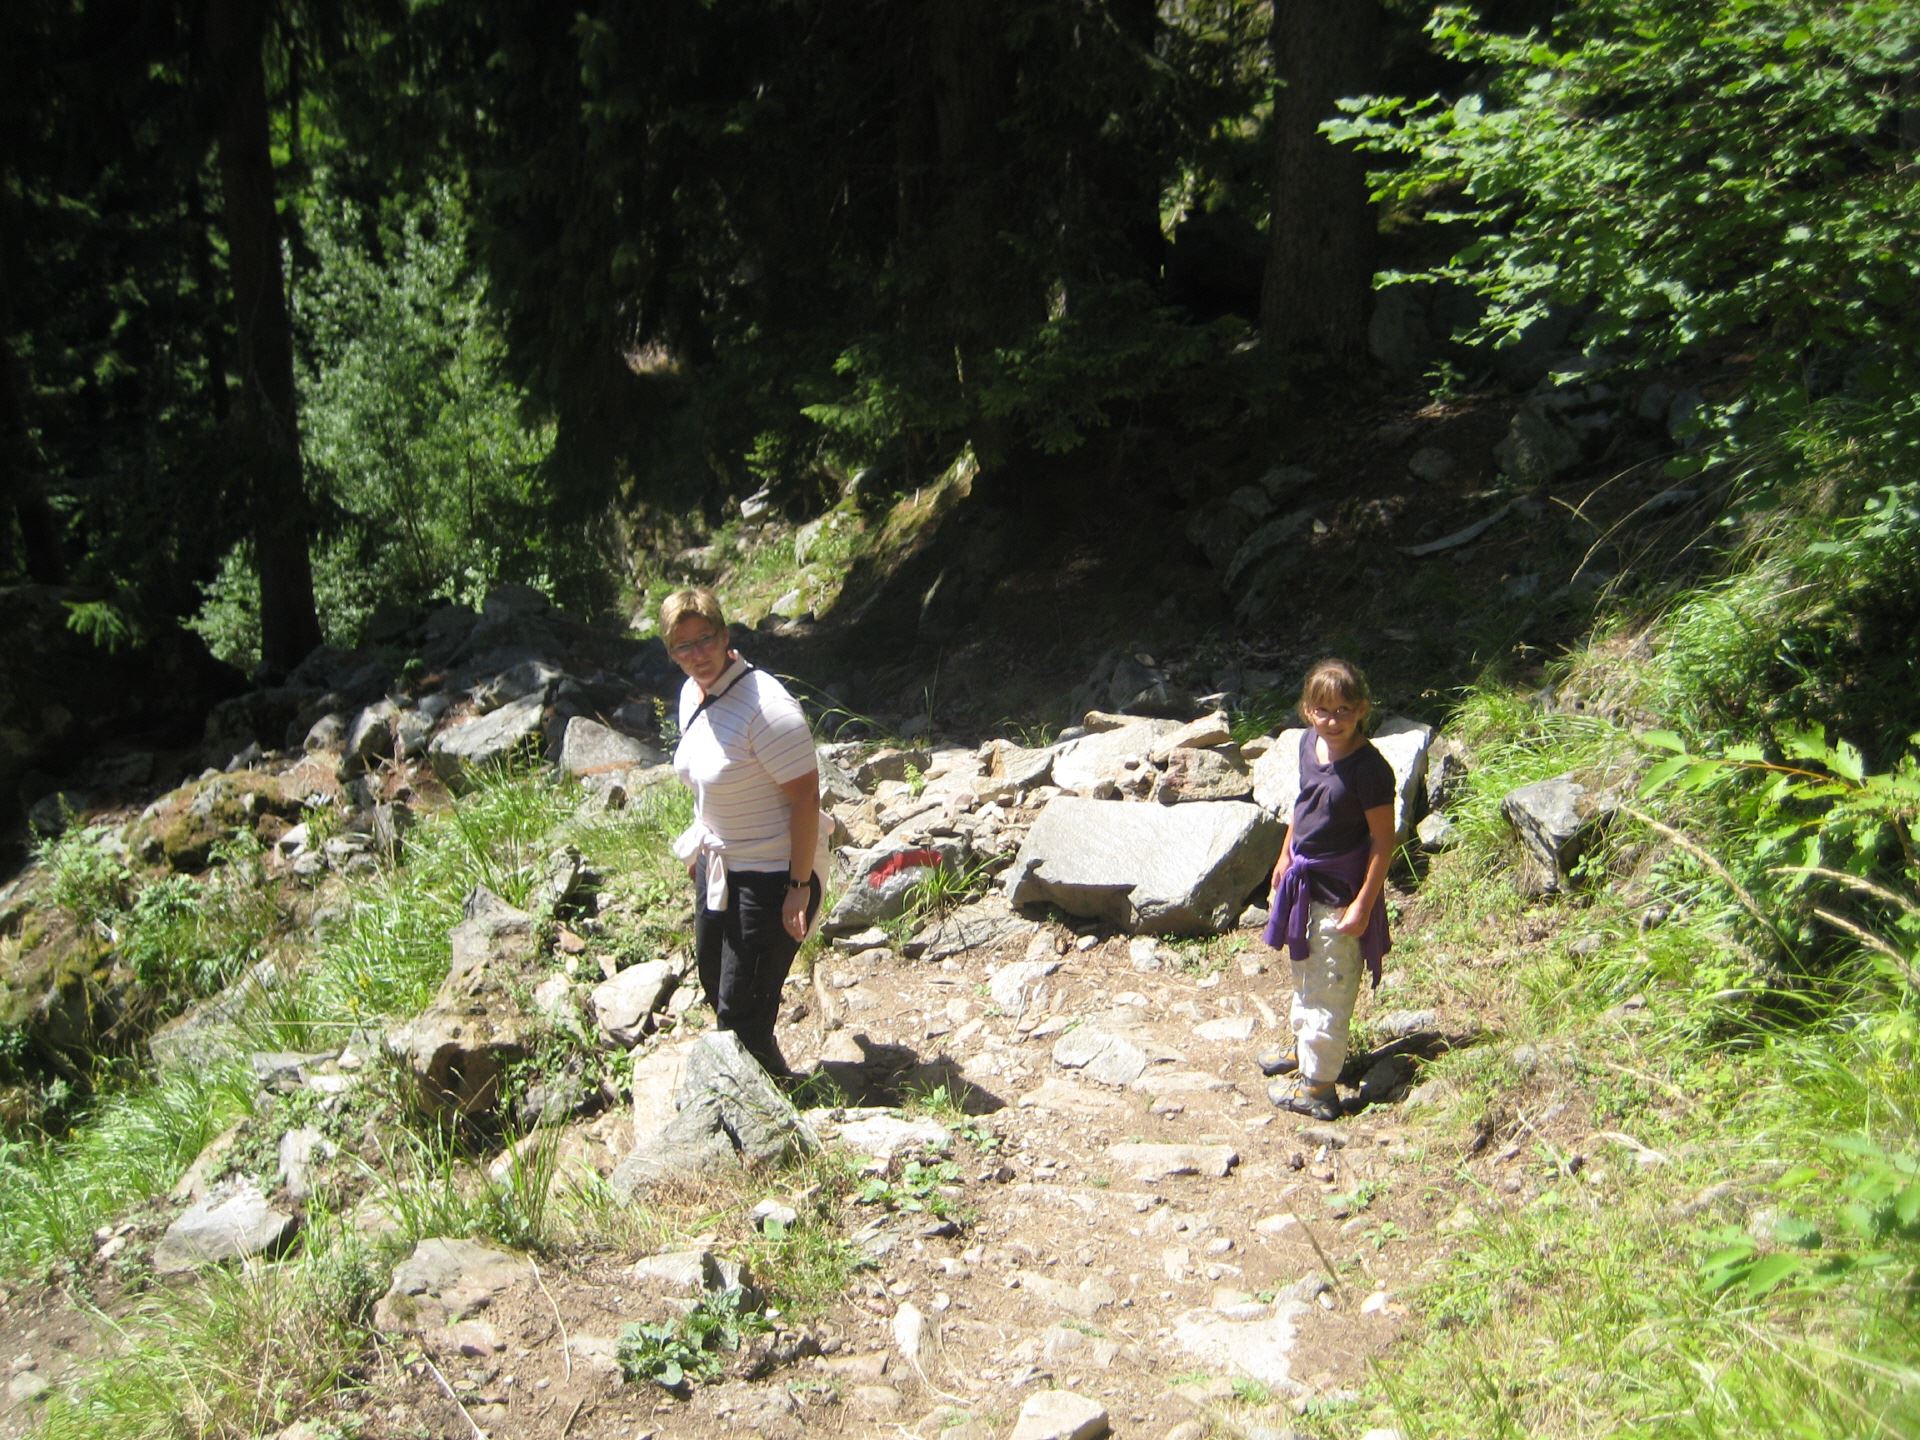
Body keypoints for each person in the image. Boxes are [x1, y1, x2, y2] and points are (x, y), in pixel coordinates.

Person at [662, 587, 823, 1080]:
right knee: (716, 982)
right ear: (671, 652)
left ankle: (767, 1108)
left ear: (725, 635)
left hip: (771, 875)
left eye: (705, 639)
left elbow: (806, 799)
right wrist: (701, 841)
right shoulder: (692, 694)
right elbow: (705, 777)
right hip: (719, 866)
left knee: (742, 1010)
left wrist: (798, 887)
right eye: (683, 646)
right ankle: (764, 1078)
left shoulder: (767, 709)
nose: (697, 655)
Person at [1258, 658, 1394, 1121]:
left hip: (1339, 891)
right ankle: (1305, 1049)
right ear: (1307, 710)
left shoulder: (1369, 770)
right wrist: (1284, 856)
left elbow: (1383, 840)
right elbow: (1303, 806)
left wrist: (1363, 905)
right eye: (1322, 711)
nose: (1332, 721)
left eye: (1343, 711)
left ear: (1361, 710)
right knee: (1305, 969)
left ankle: (1318, 1088)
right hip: (1304, 883)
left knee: (1331, 980)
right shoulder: (1308, 743)